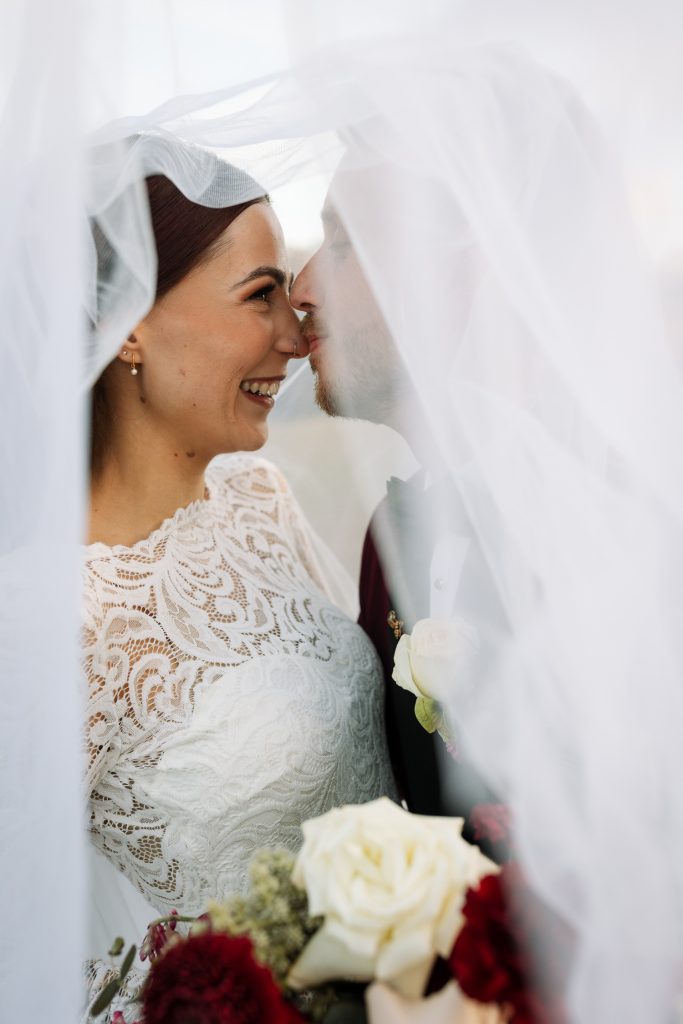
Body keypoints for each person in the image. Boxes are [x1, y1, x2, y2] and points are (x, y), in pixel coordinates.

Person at [83, 139, 396, 1017]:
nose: (294, 338)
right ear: (129, 323)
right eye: (260, 295)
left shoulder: (257, 497)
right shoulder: (59, 618)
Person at [290, 177, 504, 855]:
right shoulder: (390, 535)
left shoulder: (617, 530)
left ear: (460, 271)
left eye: (344, 243)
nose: (301, 287)